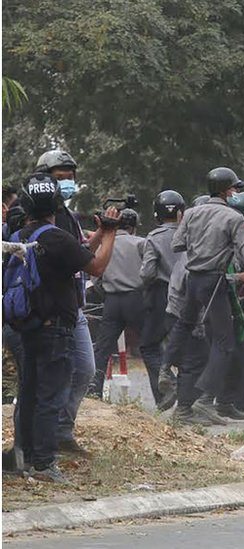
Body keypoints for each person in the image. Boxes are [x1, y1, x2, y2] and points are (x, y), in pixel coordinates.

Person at [12, 173, 120, 483]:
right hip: (54, 328)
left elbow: (79, 250)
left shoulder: (22, 236)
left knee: (30, 392)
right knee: (51, 395)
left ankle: (26, 457)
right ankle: (45, 464)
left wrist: (98, 234)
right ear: (57, 204)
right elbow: (96, 266)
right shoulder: (56, 237)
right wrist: (111, 234)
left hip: (28, 325)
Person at [164, 167, 244, 424]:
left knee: (185, 325)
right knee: (225, 342)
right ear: (228, 191)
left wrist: (200, 246)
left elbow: (176, 245)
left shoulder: (192, 213)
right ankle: (205, 399)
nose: (236, 192)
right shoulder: (235, 217)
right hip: (215, 281)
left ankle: (164, 368)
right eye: (235, 188)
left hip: (192, 279)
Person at [35, 150, 106, 457]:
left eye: (70, 178)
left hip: (74, 304)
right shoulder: (35, 215)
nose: (67, 183)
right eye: (59, 178)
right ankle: (43, 445)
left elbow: (78, 253)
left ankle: (63, 432)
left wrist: (102, 233)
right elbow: (89, 264)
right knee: (51, 378)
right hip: (49, 308)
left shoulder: (68, 216)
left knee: (85, 370)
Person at [88, 209, 146, 399]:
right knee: (150, 346)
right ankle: (163, 394)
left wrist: (105, 292)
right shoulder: (140, 243)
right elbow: (150, 270)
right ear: (133, 226)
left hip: (112, 300)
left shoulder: (104, 245)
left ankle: (94, 390)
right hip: (135, 298)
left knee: (102, 348)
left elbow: (95, 277)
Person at [217, 190, 244, 420]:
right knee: (241, 354)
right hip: (239, 301)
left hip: (240, 299)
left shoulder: (227, 233)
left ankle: (236, 399)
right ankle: (231, 400)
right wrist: (243, 278)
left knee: (243, 353)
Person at [139, 190, 185, 411]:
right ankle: (188, 403)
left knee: (149, 346)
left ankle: (165, 392)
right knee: (186, 347)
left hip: (161, 295)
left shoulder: (154, 238)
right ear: (180, 212)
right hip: (188, 293)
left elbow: (147, 273)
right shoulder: (190, 235)